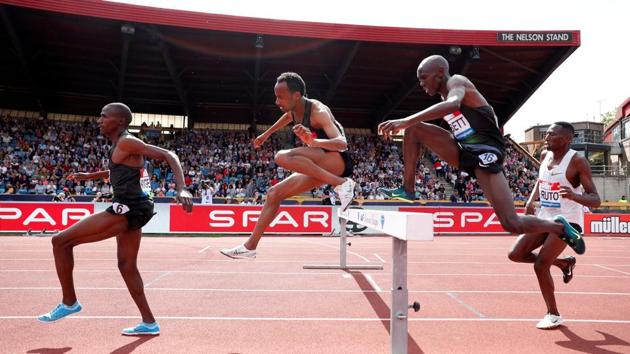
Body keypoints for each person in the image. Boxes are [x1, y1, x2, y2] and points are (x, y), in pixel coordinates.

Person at [377, 55, 584, 254]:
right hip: (465, 149)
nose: (421, 84)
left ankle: (559, 227)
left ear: (440, 72)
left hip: (486, 152)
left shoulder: (456, 82)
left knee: (512, 223)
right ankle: (408, 189)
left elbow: (452, 105)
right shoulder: (444, 94)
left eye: (423, 77)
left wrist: (405, 120)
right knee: (414, 131)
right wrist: (410, 124)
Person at [37, 102, 193, 336]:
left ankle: (69, 302)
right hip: (138, 208)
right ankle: (149, 323)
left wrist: (182, 188)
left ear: (119, 121)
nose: (99, 120)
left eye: (104, 116)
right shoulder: (121, 146)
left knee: (60, 241)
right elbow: (121, 169)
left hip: (128, 208)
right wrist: (92, 175)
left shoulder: (127, 141)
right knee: (127, 266)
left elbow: (168, 154)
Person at [220, 72, 355, 259]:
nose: (276, 101)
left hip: (338, 160)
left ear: (296, 95)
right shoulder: (294, 109)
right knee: (274, 194)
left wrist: (314, 142)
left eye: (280, 97)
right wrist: (266, 135)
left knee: (282, 156)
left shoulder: (318, 111)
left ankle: (341, 183)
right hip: (323, 162)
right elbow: (287, 118)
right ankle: (250, 247)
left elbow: (342, 143)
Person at [508, 122, 600, 329]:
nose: (546, 138)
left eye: (551, 135)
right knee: (515, 254)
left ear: (567, 139)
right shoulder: (544, 155)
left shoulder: (577, 161)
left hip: (568, 222)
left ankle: (553, 314)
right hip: (545, 217)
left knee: (540, 265)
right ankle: (563, 263)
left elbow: (595, 199)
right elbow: (541, 182)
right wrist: (531, 200)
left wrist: (575, 196)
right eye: (546, 134)